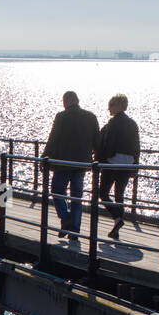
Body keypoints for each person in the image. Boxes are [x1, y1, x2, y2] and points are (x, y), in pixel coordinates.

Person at [41, 91, 99, 241]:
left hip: (63, 163)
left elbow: (53, 138)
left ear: (66, 101)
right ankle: (75, 231)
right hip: (82, 164)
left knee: (57, 191)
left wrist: (44, 158)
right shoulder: (91, 117)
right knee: (76, 197)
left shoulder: (62, 117)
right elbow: (97, 142)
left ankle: (66, 218)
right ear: (77, 100)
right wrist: (97, 161)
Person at [97, 93, 140, 240]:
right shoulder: (132, 124)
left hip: (113, 162)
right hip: (128, 163)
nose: (109, 108)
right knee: (119, 195)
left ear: (119, 106)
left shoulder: (113, 124)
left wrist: (102, 160)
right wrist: (135, 166)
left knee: (102, 193)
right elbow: (136, 147)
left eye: (111, 105)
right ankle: (116, 226)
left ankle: (117, 218)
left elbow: (107, 143)